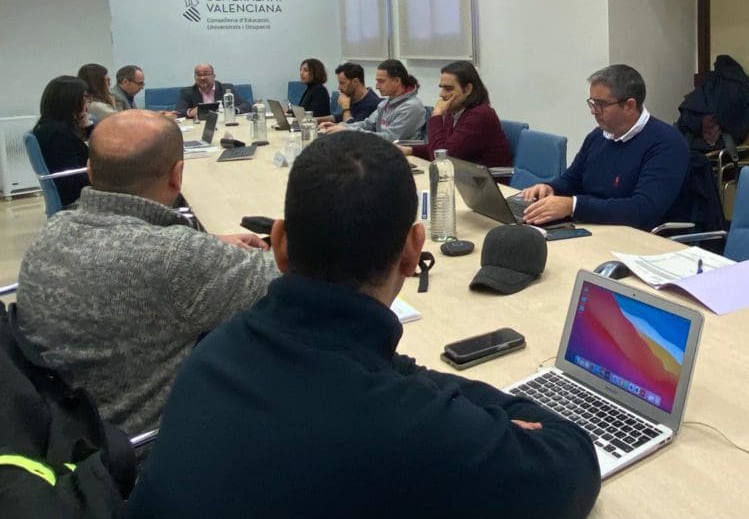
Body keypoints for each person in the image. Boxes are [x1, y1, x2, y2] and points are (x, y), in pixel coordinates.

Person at [129, 133, 600, 519]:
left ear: (279, 244)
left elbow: (383, 375)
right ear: (413, 252)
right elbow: (572, 461)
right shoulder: (410, 429)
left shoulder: (215, 349)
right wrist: (463, 415)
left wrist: (421, 390)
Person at [17, 110, 276, 437]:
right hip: (145, 447)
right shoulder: (175, 256)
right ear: (177, 175)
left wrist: (208, 242)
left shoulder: (53, 229)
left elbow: (134, 254)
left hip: (68, 427)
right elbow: (291, 277)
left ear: (90, 171)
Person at [521, 64, 689, 230]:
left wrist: (573, 206)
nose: (593, 111)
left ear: (629, 106)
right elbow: (572, 180)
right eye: (592, 103)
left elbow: (642, 210)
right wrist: (550, 188)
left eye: (600, 105)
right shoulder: (598, 136)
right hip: (593, 227)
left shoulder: (667, 143)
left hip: (643, 237)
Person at [401, 60, 512, 168]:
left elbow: (441, 159)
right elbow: (443, 147)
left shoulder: (480, 115)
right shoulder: (455, 111)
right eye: (442, 88)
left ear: (467, 89)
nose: (441, 94)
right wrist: (410, 150)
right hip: (462, 175)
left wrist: (436, 116)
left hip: (485, 179)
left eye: (448, 89)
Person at [321, 59, 425, 142]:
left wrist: (347, 131)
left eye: (381, 81)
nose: (377, 86)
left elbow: (390, 138)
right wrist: (340, 126)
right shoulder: (385, 103)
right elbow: (367, 124)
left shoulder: (411, 107)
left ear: (397, 81)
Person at [32, 75, 92, 207]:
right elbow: (72, 179)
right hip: (76, 197)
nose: (88, 102)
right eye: (85, 97)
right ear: (70, 100)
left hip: (72, 191)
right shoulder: (58, 134)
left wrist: (86, 123)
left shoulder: (49, 126)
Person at [174, 63, 250, 118]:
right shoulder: (187, 92)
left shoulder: (226, 89)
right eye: (199, 75)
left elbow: (246, 105)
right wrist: (191, 112)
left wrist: (232, 111)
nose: (202, 78)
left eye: (205, 74)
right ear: (194, 77)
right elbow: (178, 112)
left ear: (213, 76)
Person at [314, 62, 380, 124]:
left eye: (342, 83)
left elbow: (350, 128)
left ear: (355, 82)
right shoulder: (353, 96)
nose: (339, 87)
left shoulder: (371, 104)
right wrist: (315, 120)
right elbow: (340, 117)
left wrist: (346, 108)